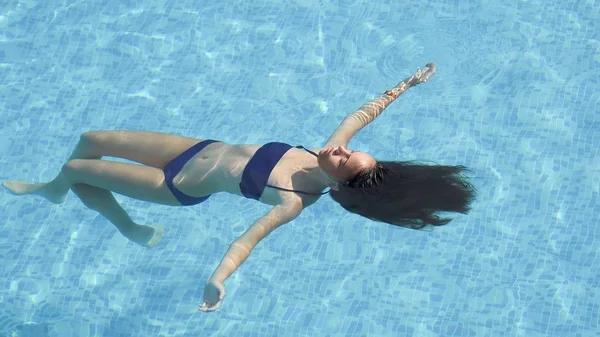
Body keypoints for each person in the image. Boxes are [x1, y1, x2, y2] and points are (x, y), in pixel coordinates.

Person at [2, 62, 476, 312]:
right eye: (349, 150)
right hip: (195, 147)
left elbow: (247, 240)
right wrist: (406, 85)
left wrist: (218, 279)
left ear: (342, 183)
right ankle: (57, 189)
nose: (341, 149)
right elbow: (362, 113)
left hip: (176, 183)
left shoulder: (294, 201)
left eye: (346, 159)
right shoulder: (325, 151)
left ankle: (116, 221)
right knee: (89, 141)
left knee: (81, 170)